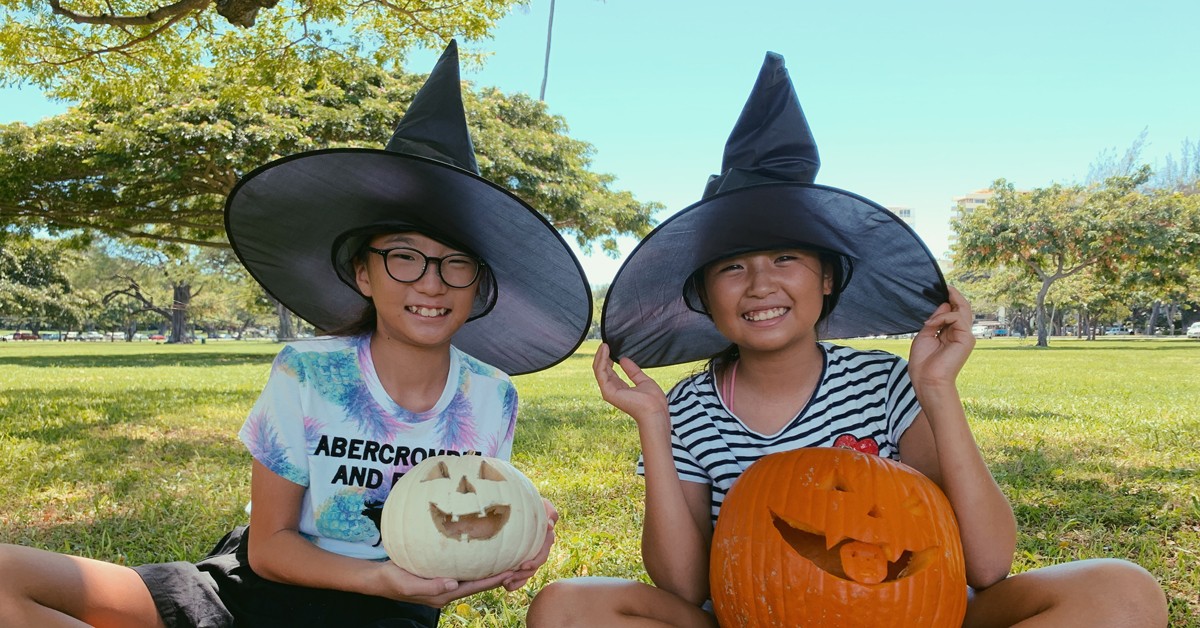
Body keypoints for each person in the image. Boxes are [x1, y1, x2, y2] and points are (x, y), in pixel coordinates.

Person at [526, 52, 1168, 627]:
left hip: (912, 614)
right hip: (753, 614)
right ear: (704, 293)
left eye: (785, 259)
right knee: (568, 606)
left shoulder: (882, 384)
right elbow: (683, 583)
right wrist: (653, 428)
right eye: (732, 266)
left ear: (826, 278)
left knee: (1121, 591)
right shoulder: (689, 409)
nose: (759, 285)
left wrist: (937, 390)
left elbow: (989, 564)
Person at [0, 40, 593, 628]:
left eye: (455, 262)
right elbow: (270, 546)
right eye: (404, 257)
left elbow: (467, 537)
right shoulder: (307, 372)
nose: (431, 283)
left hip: (383, 616)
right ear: (363, 272)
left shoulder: (492, 397)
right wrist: (374, 575)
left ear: (478, 283)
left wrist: (517, 539)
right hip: (253, 588)